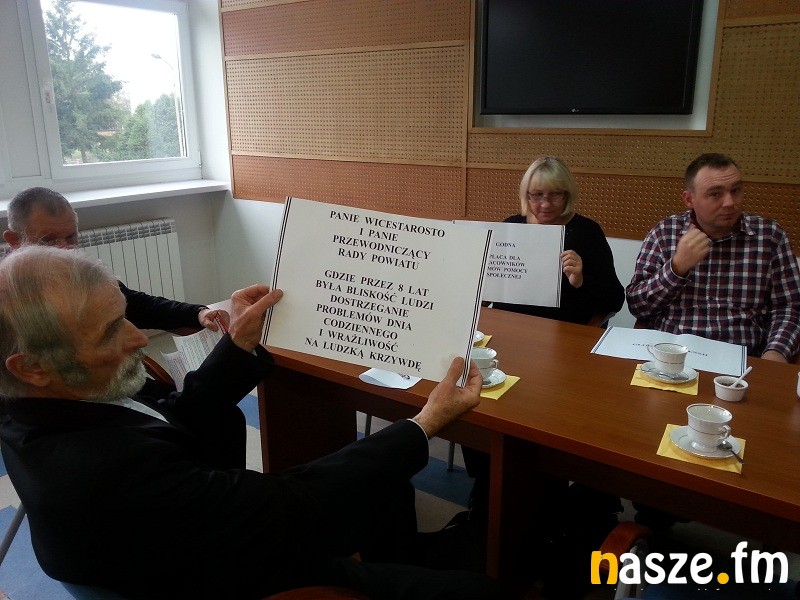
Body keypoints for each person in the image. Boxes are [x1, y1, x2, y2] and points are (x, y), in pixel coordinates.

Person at [0, 246, 508, 600]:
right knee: (478, 592)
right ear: (32, 367)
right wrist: (425, 422)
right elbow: (293, 504)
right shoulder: (100, 467)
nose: (137, 338)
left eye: (124, 316)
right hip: (222, 574)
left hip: (185, 538)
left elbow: (173, 417)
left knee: (386, 488)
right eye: (111, 330)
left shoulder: (51, 398)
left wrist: (238, 342)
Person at [626, 153, 800, 362]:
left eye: (735, 190)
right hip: (671, 355)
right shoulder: (665, 232)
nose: (729, 202)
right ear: (689, 199)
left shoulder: (770, 236)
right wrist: (676, 267)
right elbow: (638, 306)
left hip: (744, 357)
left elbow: (790, 307)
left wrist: (776, 351)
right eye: (715, 194)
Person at [3, 186, 228, 334]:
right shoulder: (8, 297)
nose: (65, 250)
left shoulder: (81, 273)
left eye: (71, 237)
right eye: (49, 241)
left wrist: (197, 313)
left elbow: (138, 305)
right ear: (14, 240)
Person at [493, 155, 625, 325]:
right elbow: (492, 287)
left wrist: (581, 281)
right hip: (507, 325)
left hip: (562, 329)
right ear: (527, 195)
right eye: (537, 195)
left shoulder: (587, 232)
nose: (546, 204)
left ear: (567, 195)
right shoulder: (511, 226)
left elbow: (615, 299)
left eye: (555, 195)